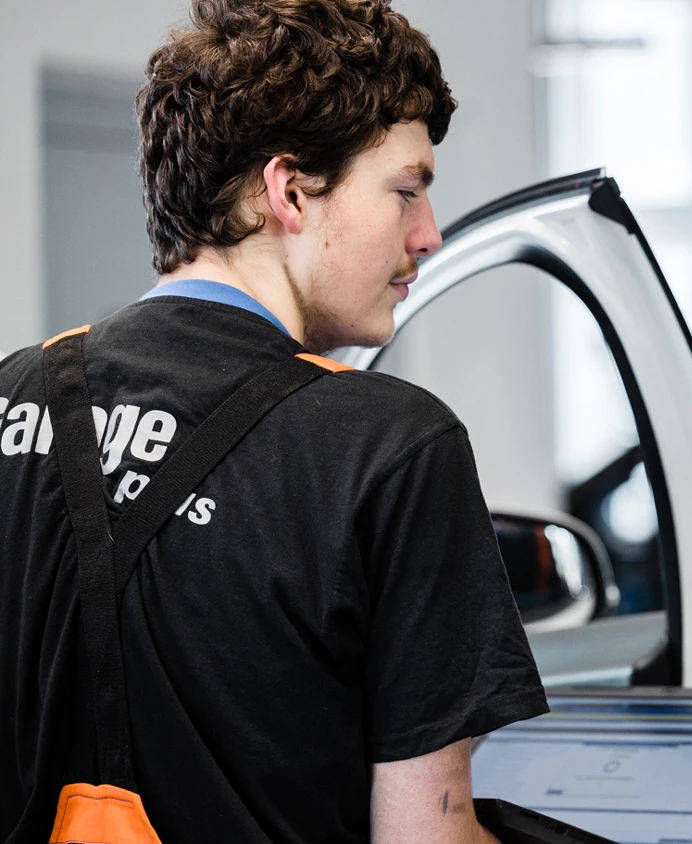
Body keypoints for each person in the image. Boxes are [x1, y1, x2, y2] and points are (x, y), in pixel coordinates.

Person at [0, 1, 547, 842]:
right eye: (405, 191)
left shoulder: (11, 395)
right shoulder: (389, 444)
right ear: (290, 191)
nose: (428, 235)